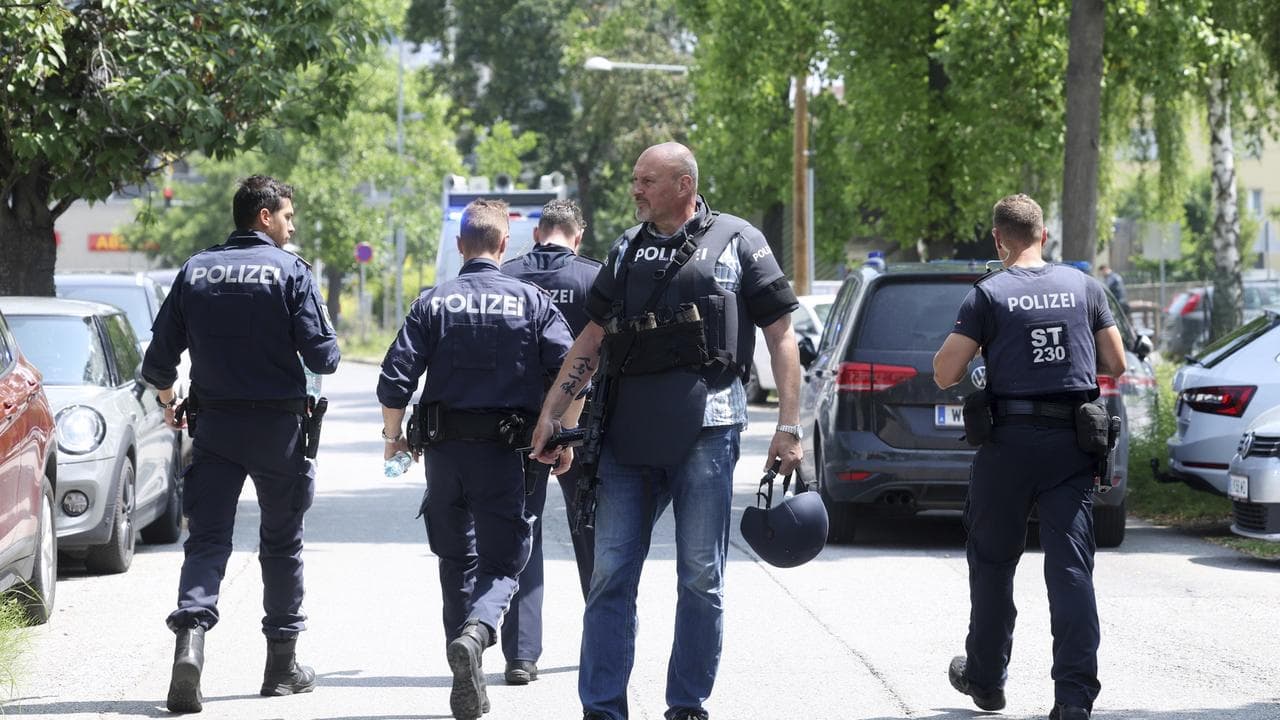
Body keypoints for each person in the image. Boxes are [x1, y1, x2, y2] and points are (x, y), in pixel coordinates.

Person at [528, 142, 804, 720]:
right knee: (609, 576)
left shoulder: (739, 242)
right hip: (628, 435)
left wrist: (789, 426)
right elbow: (591, 340)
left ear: (683, 183)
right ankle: (603, 709)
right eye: (635, 179)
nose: (635, 190)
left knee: (701, 578)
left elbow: (782, 336)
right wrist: (553, 413)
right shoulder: (626, 249)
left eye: (645, 180)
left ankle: (686, 705)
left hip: (709, 431)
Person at [142, 175, 341, 714]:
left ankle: (190, 646)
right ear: (263, 216)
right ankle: (281, 670)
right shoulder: (291, 272)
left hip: (215, 429)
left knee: (207, 542)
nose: (292, 224)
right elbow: (324, 358)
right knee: (282, 545)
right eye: (286, 215)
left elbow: (158, 363)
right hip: (279, 430)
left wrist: (168, 401)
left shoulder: (195, 270)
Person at [376, 198, 576, 720]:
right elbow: (574, 370)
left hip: (444, 454)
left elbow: (395, 378)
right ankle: (479, 631)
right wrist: (561, 434)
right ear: (505, 244)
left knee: (455, 561)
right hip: (507, 456)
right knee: (505, 563)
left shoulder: (433, 301)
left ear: (461, 246)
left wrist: (393, 437)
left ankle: (465, 668)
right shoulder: (531, 302)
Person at [932, 194, 1127, 720]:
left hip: (1009, 446)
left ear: (999, 239)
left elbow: (945, 373)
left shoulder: (988, 295)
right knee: (1071, 570)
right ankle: (1073, 700)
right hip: (1071, 448)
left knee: (993, 564)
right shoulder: (1086, 288)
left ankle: (988, 681)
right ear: (1044, 235)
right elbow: (1116, 361)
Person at [498, 199, 601, 685]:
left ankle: (521, 656)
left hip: (519, 425)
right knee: (592, 531)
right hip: (584, 426)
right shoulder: (593, 277)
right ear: (576, 237)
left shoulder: (509, 274)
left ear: (538, 233)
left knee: (525, 531)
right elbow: (601, 355)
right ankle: (604, 641)